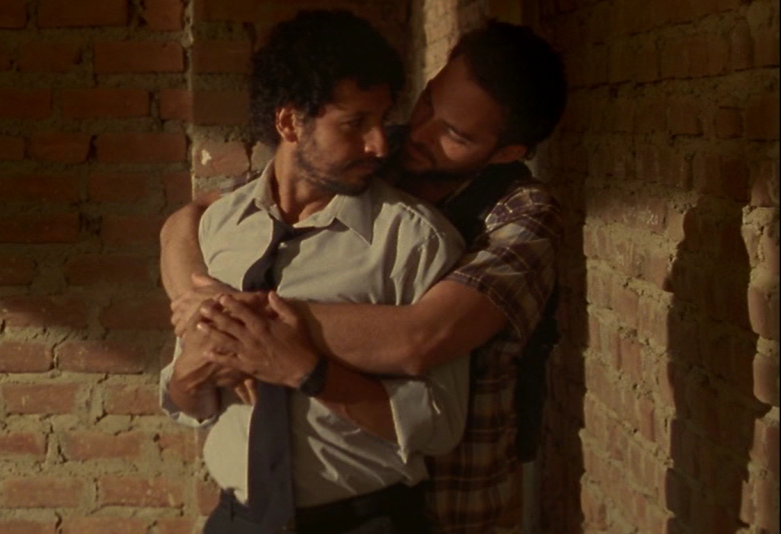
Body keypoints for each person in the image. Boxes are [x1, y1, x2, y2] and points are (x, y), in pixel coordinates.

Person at [161, 19, 568, 534]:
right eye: (426, 104)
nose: (418, 133)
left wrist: (247, 327)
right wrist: (201, 308)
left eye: (455, 134)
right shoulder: (376, 148)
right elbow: (202, 215)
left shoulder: (520, 217)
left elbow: (421, 338)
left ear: (507, 151)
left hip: (443, 504)